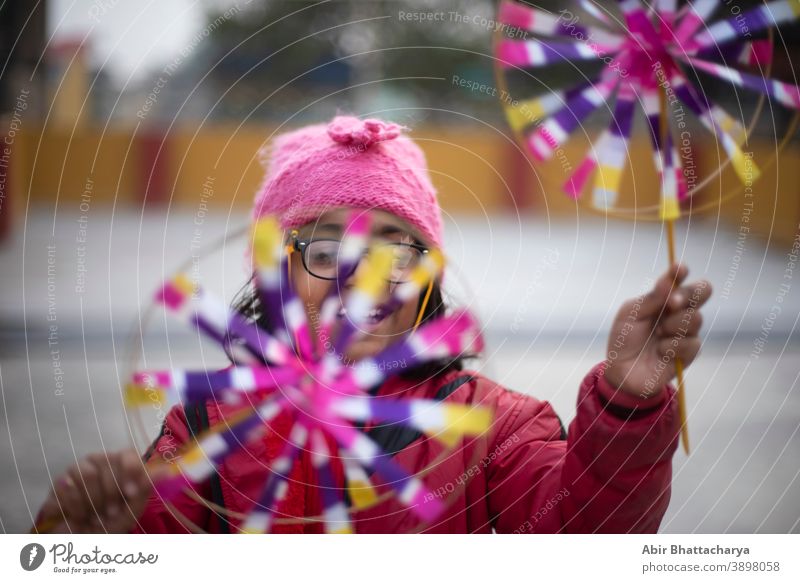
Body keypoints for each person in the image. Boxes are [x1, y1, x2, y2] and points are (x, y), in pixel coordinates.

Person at [33, 115, 712, 534]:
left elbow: (582, 534)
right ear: (277, 275)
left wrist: (627, 405)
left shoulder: (494, 428)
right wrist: (89, 544)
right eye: (326, 250)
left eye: (392, 248)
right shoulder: (206, 426)